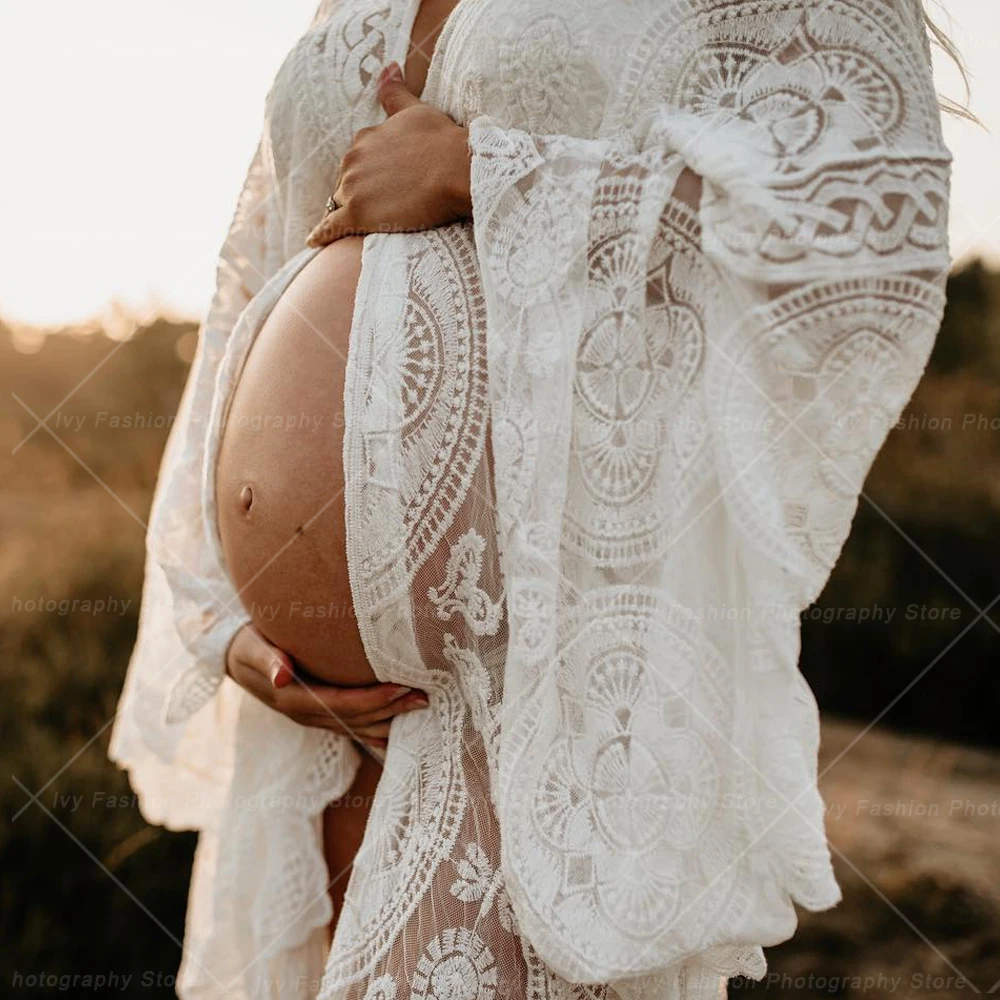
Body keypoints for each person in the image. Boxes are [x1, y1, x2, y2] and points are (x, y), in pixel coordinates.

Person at [109, 0, 954, 997]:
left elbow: (854, 230)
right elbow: (248, 284)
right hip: (301, 736)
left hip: (537, 699)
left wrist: (484, 172)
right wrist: (221, 617)